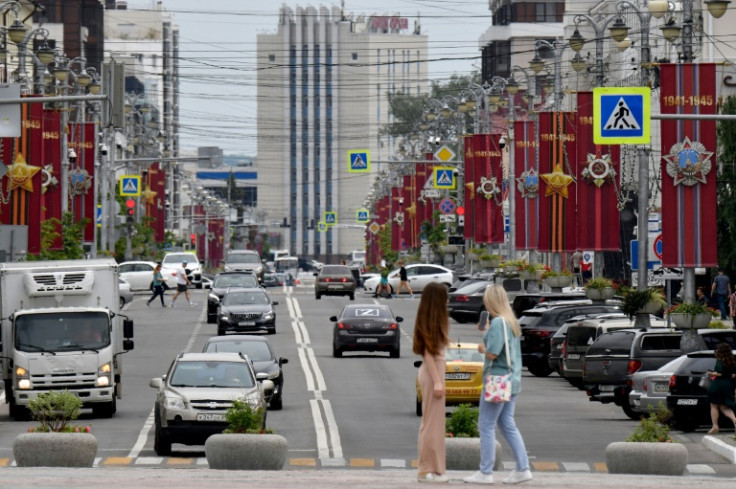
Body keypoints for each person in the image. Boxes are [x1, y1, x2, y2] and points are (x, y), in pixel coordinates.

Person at [465, 284, 532, 485]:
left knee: (485, 425)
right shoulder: (511, 322)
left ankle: (485, 472)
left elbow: (493, 353)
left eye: (486, 298)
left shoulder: (497, 324)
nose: (484, 301)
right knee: (507, 424)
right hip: (512, 381)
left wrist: (480, 347)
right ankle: (523, 468)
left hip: (497, 379)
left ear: (491, 301)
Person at [413, 282, 450, 483]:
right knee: (432, 425)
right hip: (433, 372)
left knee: (432, 424)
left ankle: (432, 469)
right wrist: (438, 382)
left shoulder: (431, 319)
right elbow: (428, 353)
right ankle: (429, 469)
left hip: (433, 371)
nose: (447, 300)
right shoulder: (433, 322)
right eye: (445, 297)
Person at [705, 343, 736, 434]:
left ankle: (715, 426)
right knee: (724, 407)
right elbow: (733, 374)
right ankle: (735, 421)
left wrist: (711, 373)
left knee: (714, 405)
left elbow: (719, 372)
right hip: (728, 385)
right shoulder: (732, 360)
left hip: (718, 385)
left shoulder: (720, 360)